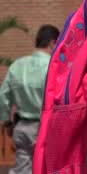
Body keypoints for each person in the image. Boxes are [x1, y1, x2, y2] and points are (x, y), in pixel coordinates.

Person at [0, 24, 60, 174]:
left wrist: (7, 121)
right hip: (46, 127)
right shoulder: (53, 67)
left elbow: (3, 96)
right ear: (53, 43)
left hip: (22, 127)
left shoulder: (17, 65)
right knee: (47, 167)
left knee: (22, 167)